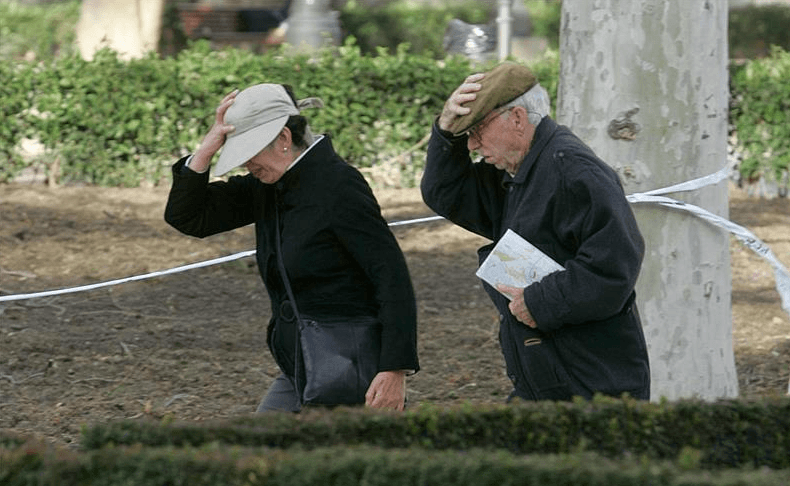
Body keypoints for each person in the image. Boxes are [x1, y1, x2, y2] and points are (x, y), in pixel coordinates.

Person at [164, 83, 419, 412]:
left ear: (284, 139)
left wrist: (394, 369)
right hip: (301, 364)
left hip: (351, 367)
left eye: (248, 153)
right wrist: (206, 150)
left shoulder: (338, 185)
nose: (245, 166)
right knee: (265, 456)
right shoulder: (265, 185)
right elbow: (189, 217)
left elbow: (390, 275)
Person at [420, 62, 650, 402]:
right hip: (551, 378)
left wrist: (539, 301)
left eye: (477, 130)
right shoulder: (519, 170)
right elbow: (445, 193)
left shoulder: (572, 170)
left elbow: (614, 270)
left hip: (592, 385)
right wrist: (444, 131)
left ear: (516, 118)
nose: (471, 145)